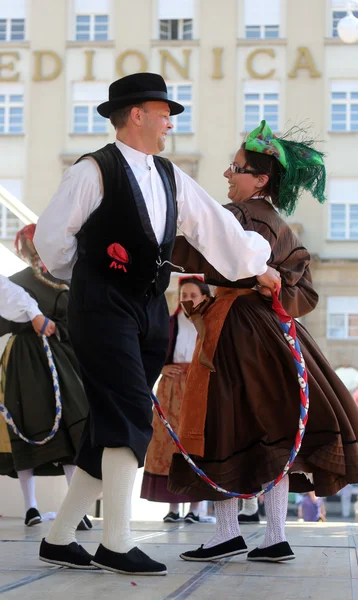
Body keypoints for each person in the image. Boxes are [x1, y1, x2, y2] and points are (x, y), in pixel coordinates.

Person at [33, 73, 279, 576]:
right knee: (127, 414)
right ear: (136, 115)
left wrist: (259, 264)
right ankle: (116, 542)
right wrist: (87, 278)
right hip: (101, 303)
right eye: (162, 110)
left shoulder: (170, 176)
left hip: (147, 308)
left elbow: (216, 228)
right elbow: (53, 240)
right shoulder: (92, 171)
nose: (170, 120)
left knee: (108, 425)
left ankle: (59, 540)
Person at [167, 120, 358, 564]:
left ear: (260, 179)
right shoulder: (282, 226)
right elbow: (305, 294)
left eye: (236, 168)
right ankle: (275, 536)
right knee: (275, 432)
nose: (227, 175)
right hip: (277, 334)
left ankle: (228, 533)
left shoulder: (236, 217)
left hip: (236, 332)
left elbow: (190, 249)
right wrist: (274, 291)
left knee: (223, 427)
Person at [0, 226, 90, 530]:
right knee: (26, 425)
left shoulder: (68, 280)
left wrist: (56, 329)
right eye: (28, 247)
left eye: (38, 245)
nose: (34, 252)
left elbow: (80, 319)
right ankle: (30, 507)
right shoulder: (16, 282)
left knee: (70, 428)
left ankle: (76, 508)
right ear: (22, 250)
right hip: (24, 360)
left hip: (62, 358)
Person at [141, 275, 211, 524]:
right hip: (171, 389)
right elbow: (148, 349)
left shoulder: (210, 325)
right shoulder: (168, 323)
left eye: (193, 295)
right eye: (184, 296)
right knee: (169, 443)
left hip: (199, 389)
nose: (187, 300)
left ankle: (195, 508)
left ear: (204, 297)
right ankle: (172, 508)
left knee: (195, 442)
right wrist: (161, 368)